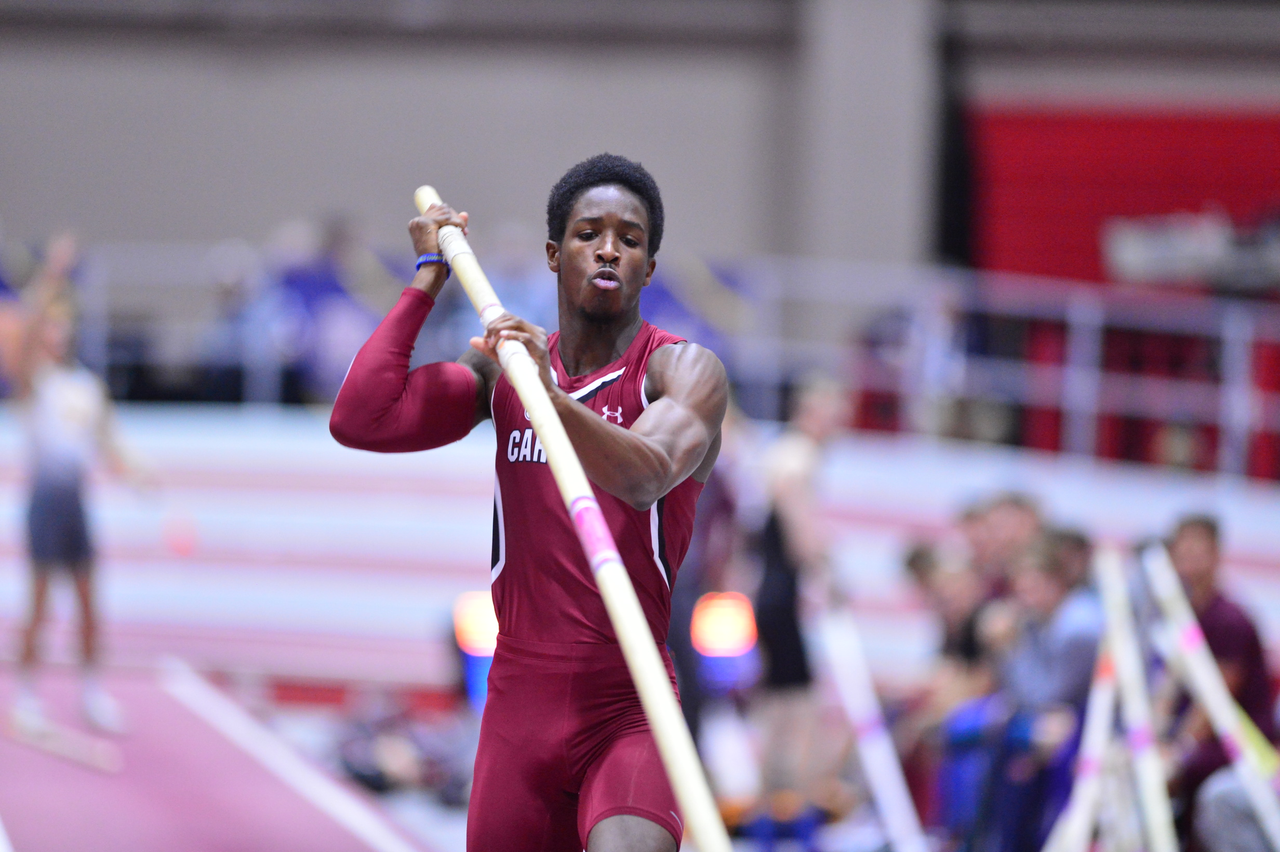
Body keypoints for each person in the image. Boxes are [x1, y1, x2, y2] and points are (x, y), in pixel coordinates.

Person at [330, 154, 727, 852]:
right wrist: (428, 278)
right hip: (520, 705)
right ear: (553, 254)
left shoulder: (680, 372)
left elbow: (645, 474)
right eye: (589, 233)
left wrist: (548, 396)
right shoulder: (506, 370)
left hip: (628, 704)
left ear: (649, 267)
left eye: (630, 239)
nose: (609, 248)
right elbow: (361, 417)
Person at [10, 235, 143, 735]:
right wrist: (55, 272)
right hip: (44, 499)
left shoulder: (87, 386)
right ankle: (25, 693)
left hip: (76, 502)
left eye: (63, 326)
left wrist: (136, 473)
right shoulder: (35, 381)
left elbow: (109, 442)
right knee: (40, 601)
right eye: (51, 326)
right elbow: (23, 335)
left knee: (89, 601)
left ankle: (91, 692)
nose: (55, 334)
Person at [746, 375, 847, 842]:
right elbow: (792, 510)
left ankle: (773, 808)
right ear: (812, 413)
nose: (839, 425)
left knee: (782, 704)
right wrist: (823, 566)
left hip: (771, 592)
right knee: (799, 708)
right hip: (780, 594)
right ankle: (793, 814)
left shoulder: (786, 451)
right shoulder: (797, 453)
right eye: (833, 415)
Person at [1161, 515, 1273, 844]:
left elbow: (1215, 701)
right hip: (1197, 734)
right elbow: (1166, 686)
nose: (1190, 561)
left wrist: (1180, 749)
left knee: (1177, 773)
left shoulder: (1229, 620)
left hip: (1240, 742)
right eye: (1184, 552)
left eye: (1199, 551)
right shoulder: (1177, 613)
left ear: (1216, 555)